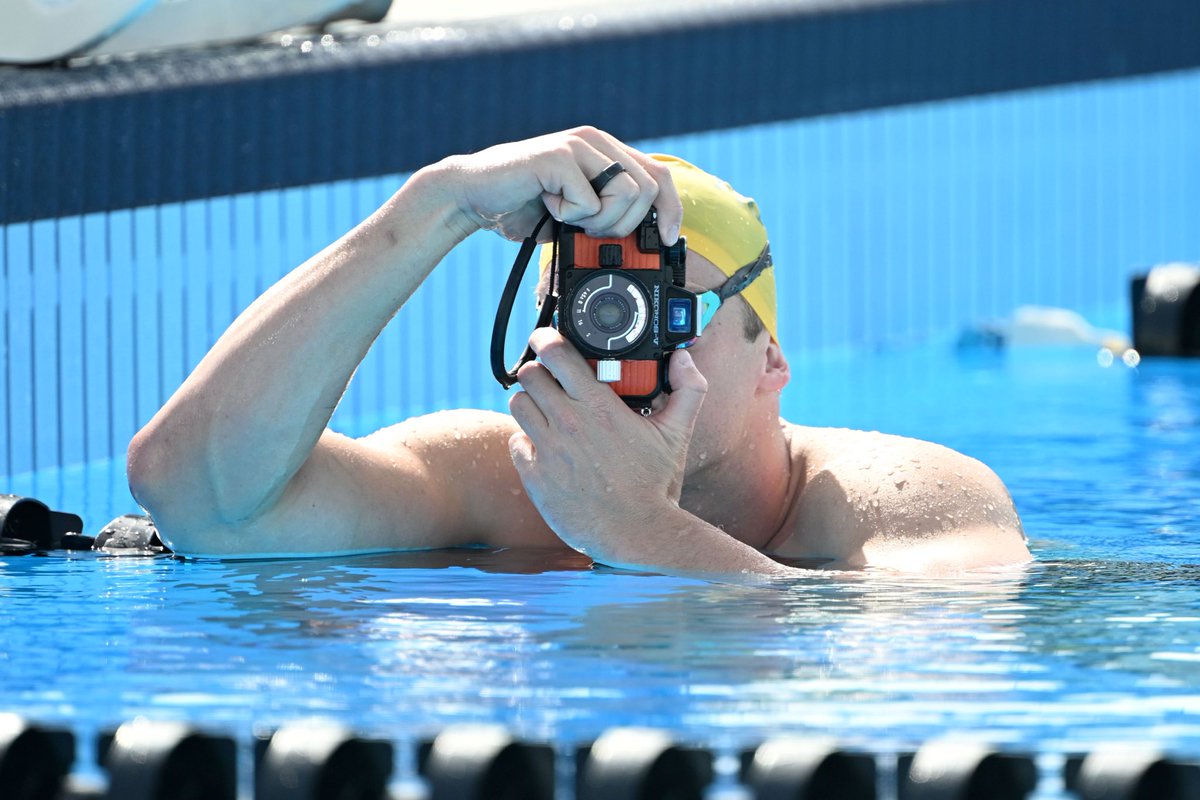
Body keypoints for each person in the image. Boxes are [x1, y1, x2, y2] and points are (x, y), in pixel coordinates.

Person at [127, 126, 1031, 579]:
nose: (628, 332)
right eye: (595, 304)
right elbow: (200, 498)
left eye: (674, 307)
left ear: (772, 361)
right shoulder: (496, 481)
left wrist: (638, 529)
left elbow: (941, 654)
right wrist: (432, 207)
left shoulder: (896, 496)